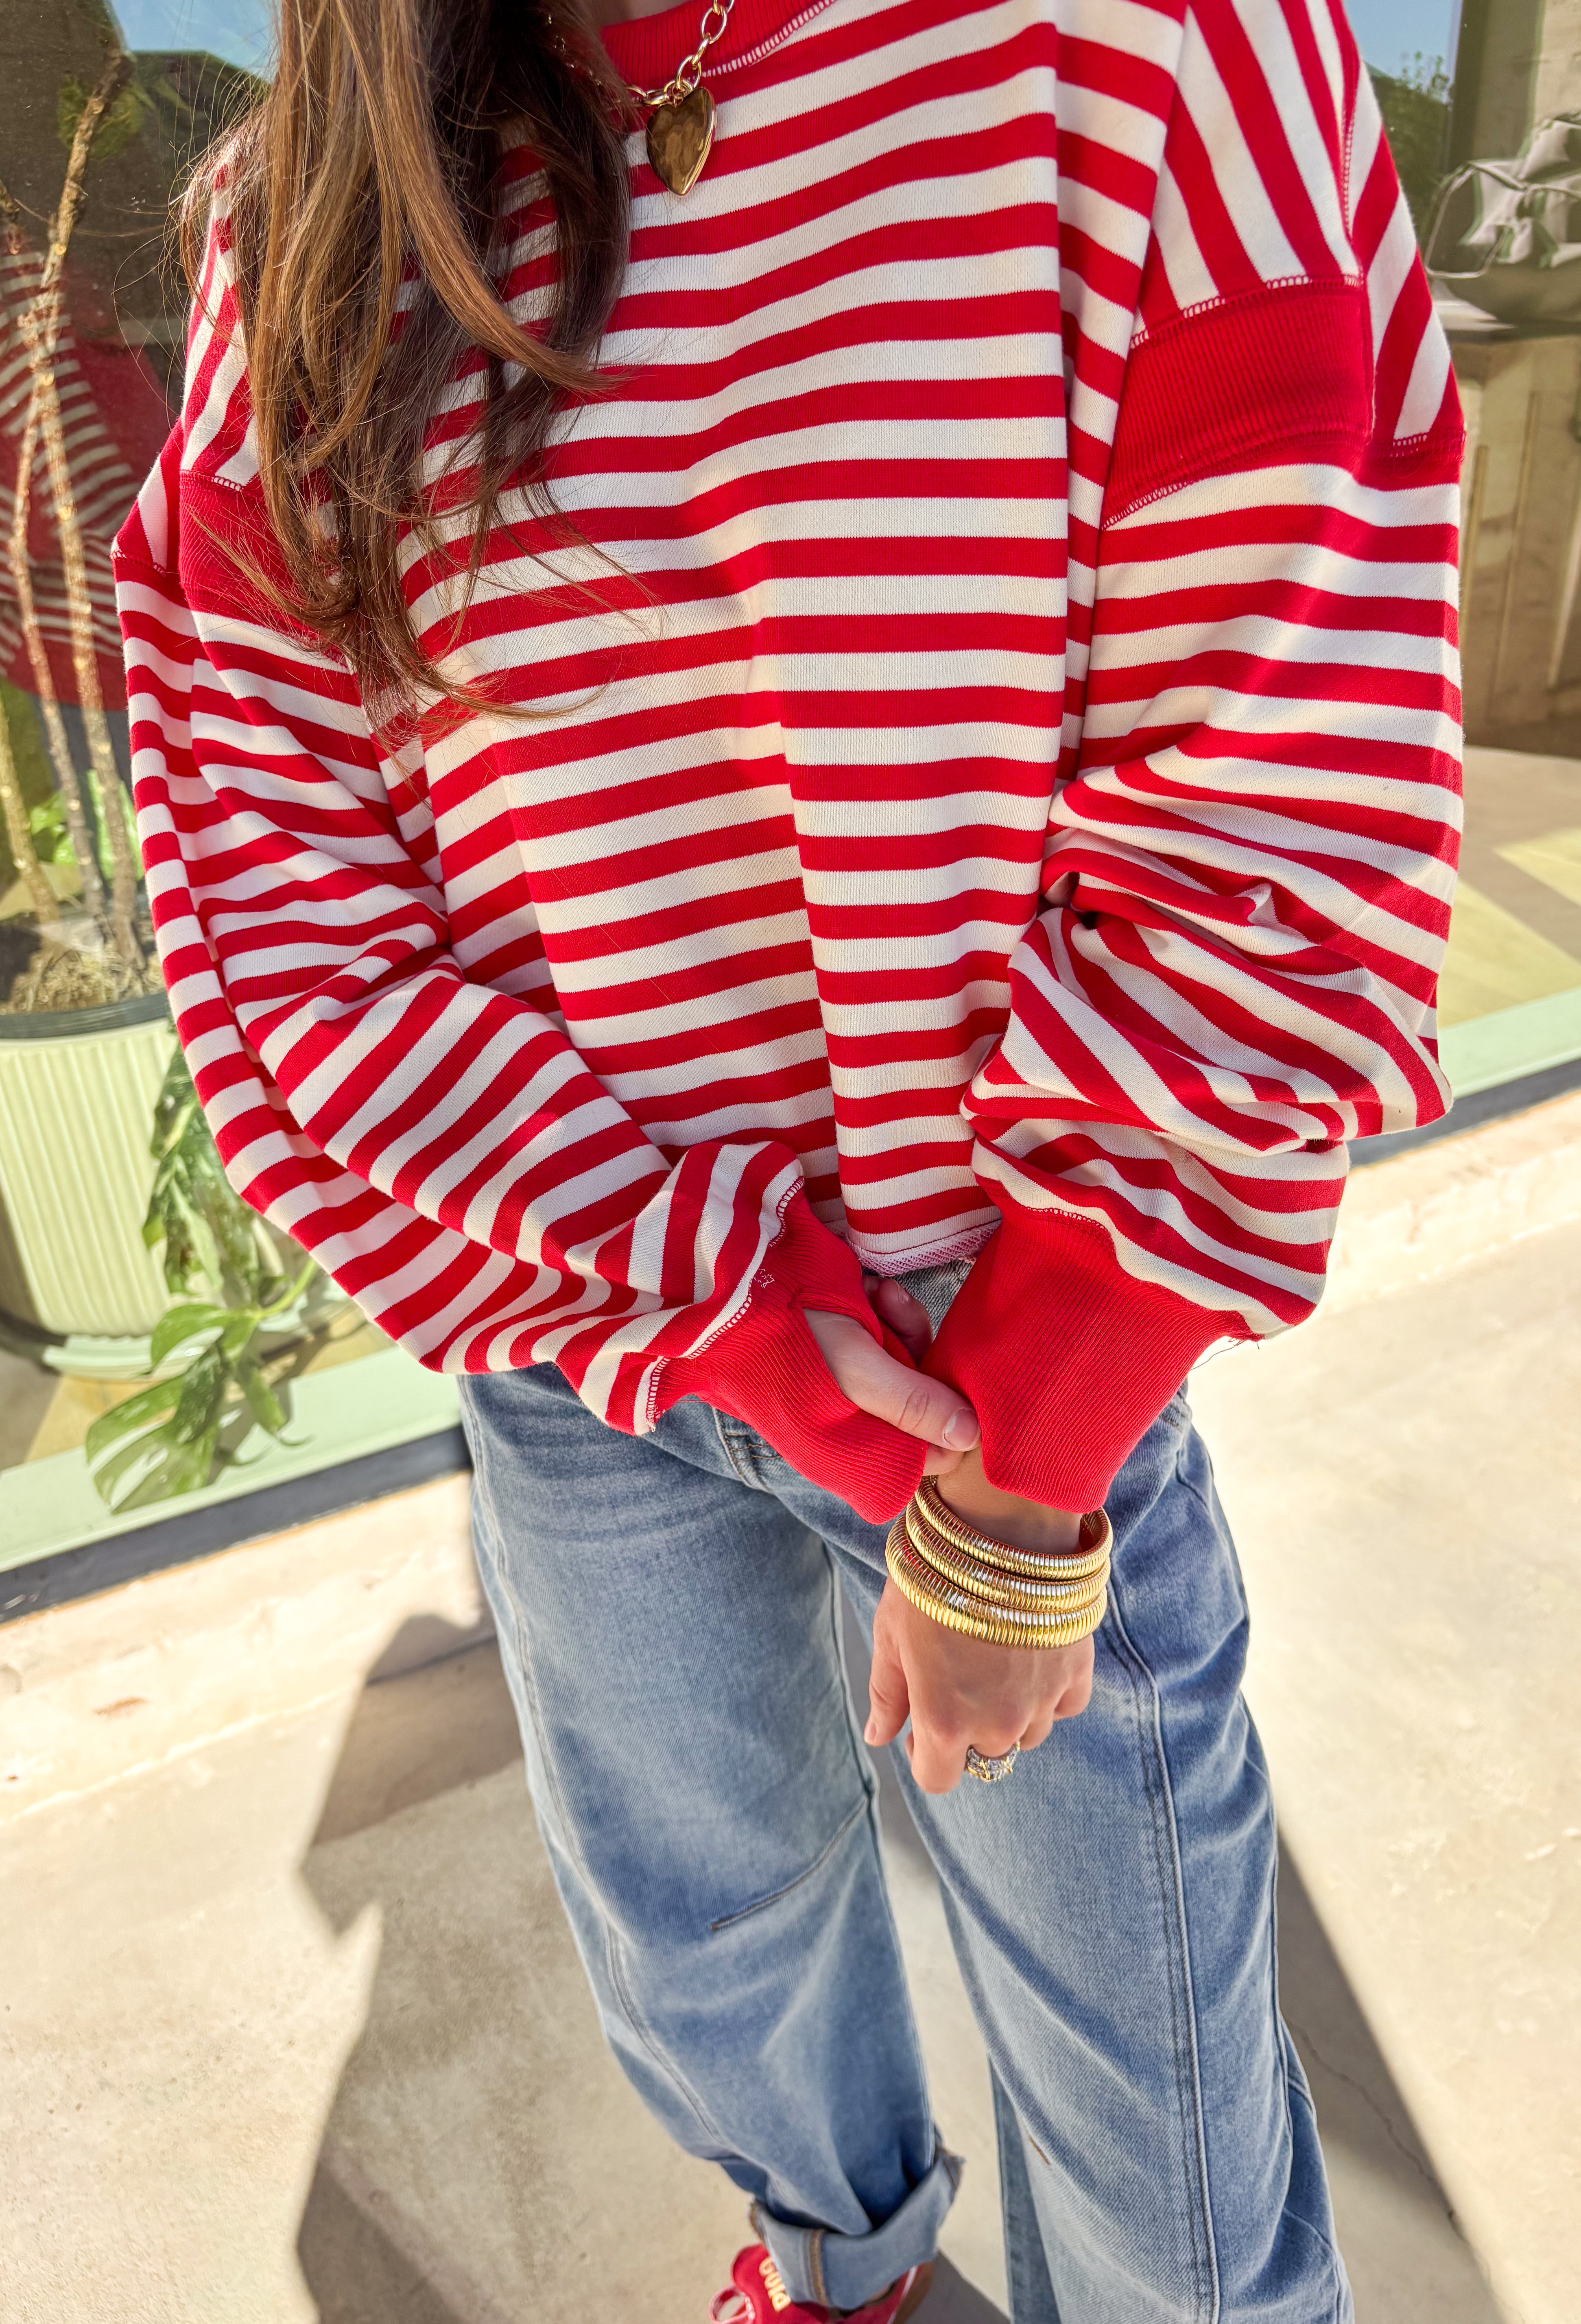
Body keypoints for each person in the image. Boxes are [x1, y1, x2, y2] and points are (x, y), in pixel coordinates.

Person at [115, 0, 1461, 2311]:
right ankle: (844, 2271)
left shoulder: (1134, 51)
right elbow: (279, 893)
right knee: (703, 1955)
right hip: (591, 1346)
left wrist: (1026, 1462)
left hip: (1011, 1363)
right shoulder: (325, 210)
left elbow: (1280, 784)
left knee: (1153, 2099)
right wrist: (718, 1311)